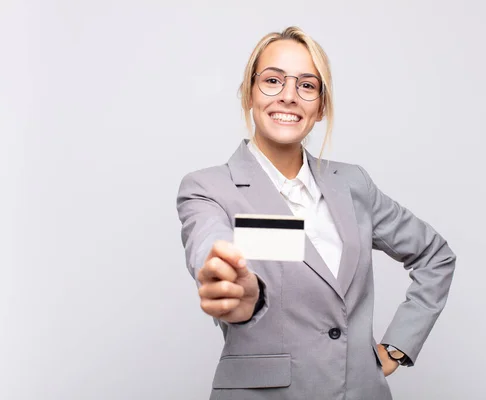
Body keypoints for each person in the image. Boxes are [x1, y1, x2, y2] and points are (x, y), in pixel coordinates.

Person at [176, 26, 456, 400]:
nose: (289, 96)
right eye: (273, 80)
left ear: (321, 106)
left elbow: (435, 255)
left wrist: (397, 346)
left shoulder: (354, 184)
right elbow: (209, 244)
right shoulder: (208, 188)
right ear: (248, 93)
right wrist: (235, 286)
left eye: (307, 85)